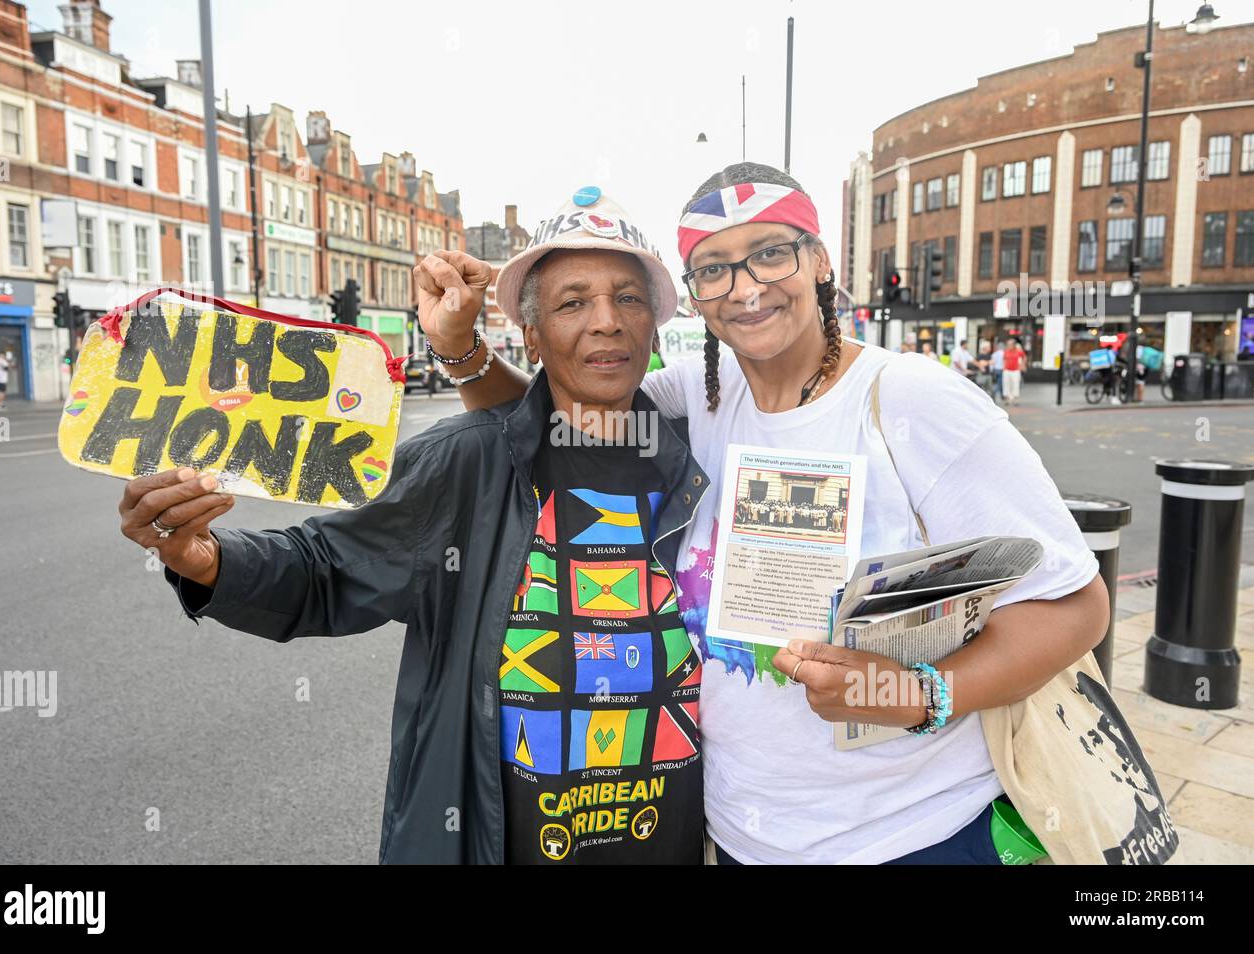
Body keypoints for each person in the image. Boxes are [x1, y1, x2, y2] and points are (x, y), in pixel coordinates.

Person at [439, 162, 1110, 865]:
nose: (747, 287)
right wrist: (461, 348)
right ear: (695, 297)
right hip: (744, 840)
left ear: (819, 260)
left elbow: (1073, 606)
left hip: (916, 835)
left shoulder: (913, 402)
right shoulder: (697, 399)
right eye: (715, 269)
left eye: (771, 253)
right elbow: (554, 418)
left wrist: (912, 695)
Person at [118, 193, 709, 864]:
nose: (606, 322)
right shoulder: (467, 462)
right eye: (573, 302)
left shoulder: (697, 463)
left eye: (629, 299)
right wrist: (206, 560)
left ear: (656, 328)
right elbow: (325, 568)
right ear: (533, 335)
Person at [1001, 338, 1027, 406]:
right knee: (1006, 384)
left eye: (1010, 344)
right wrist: (1003, 366)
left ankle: (1015, 400)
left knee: (1015, 384)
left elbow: (1024, 357)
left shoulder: (1018, 351)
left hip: (1015, 370)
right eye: (1008, 344)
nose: (1008, 346)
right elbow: (1004, 359)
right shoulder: (1005, 351)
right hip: (1007, 370)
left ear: (1013, 345)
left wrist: (1022, 365)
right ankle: (1007, 399)